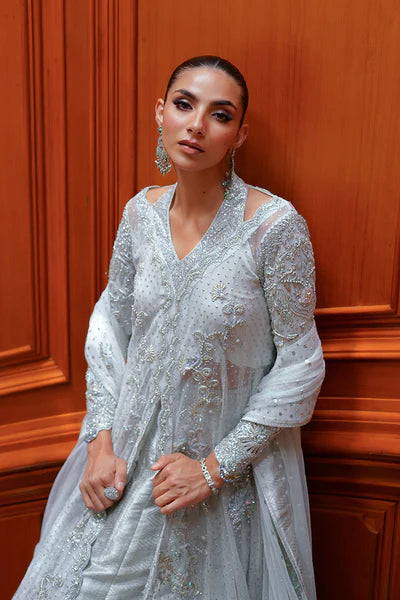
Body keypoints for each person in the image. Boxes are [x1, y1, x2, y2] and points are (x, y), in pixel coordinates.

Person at [13, 55, 325, 600]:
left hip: (214, 486)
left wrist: (212, 469)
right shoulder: (139, 215)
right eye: (184, 105)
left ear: (239, 134)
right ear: (161, 113)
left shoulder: (274, 229)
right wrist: (99, 440)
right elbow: (109, 329)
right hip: (120, 466)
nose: (197, 124)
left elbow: (300, 366)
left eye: (220, 114)